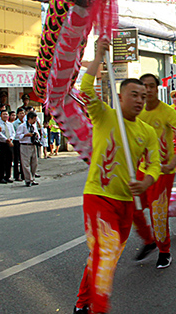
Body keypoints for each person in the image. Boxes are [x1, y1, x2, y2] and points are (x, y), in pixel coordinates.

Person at [74, 38, 161, 314]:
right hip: (99, 197)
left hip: (126, 203)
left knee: (103, 258)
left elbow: (154, 165)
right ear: (120, 96)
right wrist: (98, 55)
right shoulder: (104, 116)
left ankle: (82, 304)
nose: (139, 100)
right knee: (106, 253)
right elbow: (86, 88)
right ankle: (99, 309)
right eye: (134, 95)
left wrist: (146, 180)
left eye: (143, 96)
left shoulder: (146, 132)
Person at [132, 73, 176, 269]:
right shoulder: (136, 112)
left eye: (151, 86)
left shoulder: (167, 112)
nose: (147, 90)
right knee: (132, 207)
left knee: (158, 212)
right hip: (142, 169)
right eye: (144, 86)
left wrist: (172, 163)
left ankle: (164, 251)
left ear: (158, 89)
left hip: (162, 171)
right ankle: (149, 241)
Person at [16, 110, 40, 187]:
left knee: (34, 163)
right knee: (26, 164)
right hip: (25, 145)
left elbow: (38, 134)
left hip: (33, 145)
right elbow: (17, 136)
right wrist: (26, 135)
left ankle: (32, 178)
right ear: (30, 118)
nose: (35, 121)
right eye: (34, 119)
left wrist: (36, 135)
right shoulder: (22, 126)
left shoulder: (34, 126)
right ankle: (28, 179)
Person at [0, 110, 15, 183]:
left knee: (9, 161)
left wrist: (11, 139)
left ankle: (8, 176)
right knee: (2, 161)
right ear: (1, 116)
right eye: (3, 114)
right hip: (3, 144)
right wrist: (6, 139)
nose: (5, 116)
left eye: (6, 114)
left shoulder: (10, 124)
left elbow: (13, 132)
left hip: (10, 144)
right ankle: (1, 177)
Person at [12, 108, 25, 181]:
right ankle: (16, 175)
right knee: (16, 159)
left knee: (23, 159)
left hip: (24, 142)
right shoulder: (15, 123)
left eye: (23, 113)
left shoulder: (26, 122)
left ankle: (23, 174)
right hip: (17, 141)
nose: (22, 115)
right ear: (17, 114)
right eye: (20, 113)